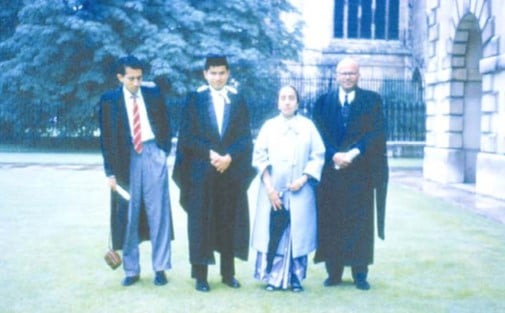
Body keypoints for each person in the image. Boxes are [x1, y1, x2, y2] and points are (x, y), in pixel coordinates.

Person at [172, 54, 255, 292]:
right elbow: (187, 137)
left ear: (228, 73)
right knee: (200, 223)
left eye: (222, 73)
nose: (217, 77)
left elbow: (244, 138)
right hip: (201, 172)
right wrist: (211, 155)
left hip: (229, 173)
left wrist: (229, 157)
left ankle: (228, 273)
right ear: (205, 74)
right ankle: (201, 275)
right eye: (213, 73)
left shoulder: (238, 101)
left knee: (228, 221)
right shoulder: (194, 99)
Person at [312, 57, 389, 291]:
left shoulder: (372, 101)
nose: (347, 77)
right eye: (343, 73)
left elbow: (377, 133)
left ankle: (360, 273)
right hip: (331, 175)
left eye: (352, 73)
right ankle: (333, 272)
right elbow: (317, 134)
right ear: (336, 75)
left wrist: (353, 153)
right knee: (332, 221)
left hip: (360, 174)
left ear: (359, 75)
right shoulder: (322, 103)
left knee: (360, 223)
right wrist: (334, 155)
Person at [98, 55, 173, 287]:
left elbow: (166, 124)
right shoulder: (109, 100)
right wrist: (110, 173)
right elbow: (106, 138)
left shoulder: (153, 94)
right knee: (128, 214)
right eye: (131, 78)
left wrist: (163, 152)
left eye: (140, 77)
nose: (137, 82)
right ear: (120, 77)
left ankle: (160, 268)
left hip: (152, 153)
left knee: (158, 212)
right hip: (125, 159)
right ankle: (131, 270)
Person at [251, 85, 325, 292]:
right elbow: (259, 156)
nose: (287, 101)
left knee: (297, 234)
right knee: (274, 232)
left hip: (300, 192)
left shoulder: (308, 127)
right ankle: (272, 277)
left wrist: (303, 179)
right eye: (283, 97)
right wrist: (269, 188)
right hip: (272, 192)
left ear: (297, 102)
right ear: (278, 102)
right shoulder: (268, 126)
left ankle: (295, 278)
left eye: (291, 98)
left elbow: (318, 155)